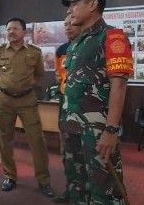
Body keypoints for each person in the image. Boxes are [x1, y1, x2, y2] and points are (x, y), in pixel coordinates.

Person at [61, 0, 133, 204]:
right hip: (72, 126)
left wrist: (111, 130)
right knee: (77, 185)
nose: (69, 10)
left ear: (92, 4)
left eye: (74, 4)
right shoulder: (76, 43)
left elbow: (119, 86)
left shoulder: (113, 37)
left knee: (104, 189)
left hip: (97, 131)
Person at [0, 17, 54, 197]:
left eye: (15, 29)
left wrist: (23, 87)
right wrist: (7, 85)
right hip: (4, 99)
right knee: (5, 139)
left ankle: (43, 180)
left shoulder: (34, 52)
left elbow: (39, 75)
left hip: (27, 100)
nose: (11, 32)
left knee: (37, 139)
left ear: (24, 32)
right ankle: (10, 176)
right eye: (8, 29)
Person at [53, 14, 81, 204]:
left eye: (71, 23)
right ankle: (72, 190)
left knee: (86, 154)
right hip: (65, 104)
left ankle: (86, 194)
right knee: (69, 152)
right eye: (65, 24)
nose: (68, 27)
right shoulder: (62, 50)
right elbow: (58, 75)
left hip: (86, 107)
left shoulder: (90, 46)